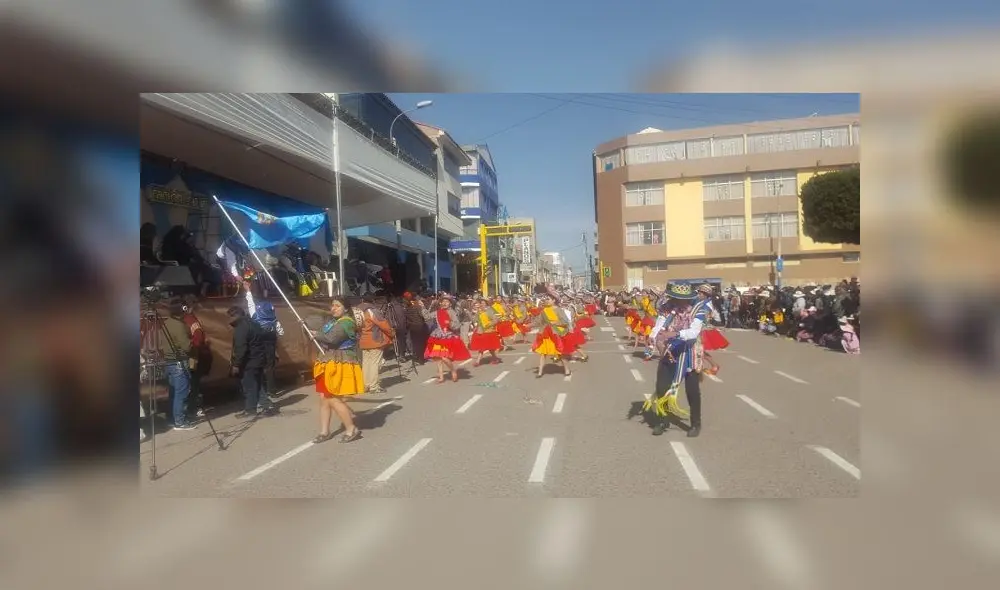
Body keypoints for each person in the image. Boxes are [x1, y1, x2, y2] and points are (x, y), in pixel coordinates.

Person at [645, 282, 713, 438]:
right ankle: (662, 420)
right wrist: (653, 336)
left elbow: (694, 332)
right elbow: (660, 325)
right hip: (670, 350)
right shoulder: (667, 308)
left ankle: (695, 423)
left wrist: (675, 334)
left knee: (692, 390)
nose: (678, 301)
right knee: (662, 387)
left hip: (690, 351)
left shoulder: (698, 309)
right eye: (676, 298)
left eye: (682, 298)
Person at [310, 298, 363, 443]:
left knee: (332, 397)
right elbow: (322, 334)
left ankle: (351, 428)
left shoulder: (347, 323)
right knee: (324, 397)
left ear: (345, 308)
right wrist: (311, 331)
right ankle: (324, 431)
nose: (333, 308)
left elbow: (331, 338)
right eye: (332, 305)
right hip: (327, 361)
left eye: (337, 306)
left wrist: (317, 334)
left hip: (339, 362)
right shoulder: (332, 322)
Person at [227, 306, 279, 419]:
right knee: (257, 384)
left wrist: (236, 364)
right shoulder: (254, 323)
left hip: (249, 362)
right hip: (259, 359)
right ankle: (265, 407)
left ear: (236, 315)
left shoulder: (241, 328)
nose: (229, 320)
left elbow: (241, 348)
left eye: (230, 317)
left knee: (249, 386)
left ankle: (252, 409)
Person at [424, 294, 471, 383]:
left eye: (447, 301)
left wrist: (449, 323)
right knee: (438, 358)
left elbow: (457, 325)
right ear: (441, 303)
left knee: (444, 358)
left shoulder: (452, 312)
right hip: (438, 337)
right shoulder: (437, 312)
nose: (445, 303)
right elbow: (427, 317)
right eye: (443, 301)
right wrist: (423, 307)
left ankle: (453, 370)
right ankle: (441, 377)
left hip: (447, 337)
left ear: (450, 304)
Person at [357, 294, 394, 394]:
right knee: (374, 363)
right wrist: (392, 333)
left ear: (362, 300)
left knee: (366, 363)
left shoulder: (357, 311)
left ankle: (365, 384)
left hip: (362, 339)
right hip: (374, 340)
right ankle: (374, 386)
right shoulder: (372, 311)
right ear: (372, 301)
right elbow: (383, 324)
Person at [531, 292, 572, 378]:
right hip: (546, 335)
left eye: (548, 299)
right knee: (543, 353)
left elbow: (565, 322)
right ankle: (540, 372)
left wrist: (556, 323)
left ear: (554, 300)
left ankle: (567, 369)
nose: (546, 300)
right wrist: (529, 325)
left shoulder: (559, 310)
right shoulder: (544, 310)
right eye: (546, 299)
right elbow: (538, 321)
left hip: (555, 334)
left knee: (560, 353)